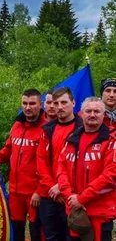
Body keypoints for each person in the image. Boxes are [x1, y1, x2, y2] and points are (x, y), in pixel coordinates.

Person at [57, 97, 116, 241]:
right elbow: (61, 169)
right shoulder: (72, 139)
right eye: (88, 111)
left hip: (99, 214)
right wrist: (70, 196)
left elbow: (110, 176)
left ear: (104, 115)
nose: (92, 114)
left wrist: (82, 198)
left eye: (97, 111)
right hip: (74, 211)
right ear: (82, 114)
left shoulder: (111, 141)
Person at [0, 89, 46, 241]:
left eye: (32, 103)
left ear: (40, 104)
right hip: (15, 190)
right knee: (16, 229)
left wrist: (40, 190)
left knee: (36, 231)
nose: (28, 107)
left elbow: (49, 164)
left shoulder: (46, 128)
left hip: (34, 192)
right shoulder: (17, 125)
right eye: (25, 103)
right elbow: (7, 150)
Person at [37, 87, 83, 241]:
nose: (60, 107)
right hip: (49, 194)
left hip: (71, 194)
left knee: (71, 236)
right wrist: (51, 186)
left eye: (64, 102)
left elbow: (82, 163)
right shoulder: (47, 129)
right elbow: (41, 161)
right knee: (51, 236)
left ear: (73, 103)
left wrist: (62, 186)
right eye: (56, 103)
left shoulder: (83, 129)